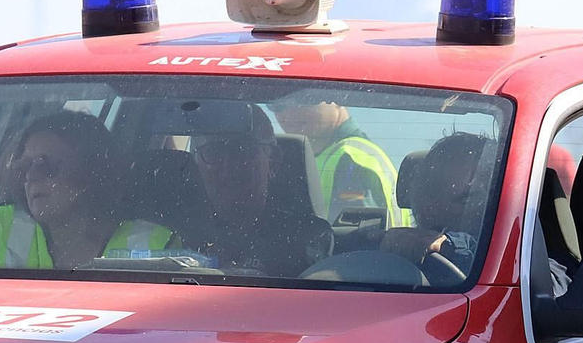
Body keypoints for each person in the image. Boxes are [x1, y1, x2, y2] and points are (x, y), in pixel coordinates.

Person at [0, 111, 179, 269]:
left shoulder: (155, 245)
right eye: (24, 167)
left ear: (90, 170)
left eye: (45, 165)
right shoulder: (10, 226)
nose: (31, 176)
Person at [187, 105, 332, 277]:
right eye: (213, 151)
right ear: (197, 164)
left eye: (242, 150)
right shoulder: (171, 235)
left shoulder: (309, 241)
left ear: (273, 161)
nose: (227, 167)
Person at [276, 99, 410, 227]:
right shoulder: (321, 157)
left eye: (304, 101)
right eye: (277, 105)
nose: (289, 112)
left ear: (338, 102)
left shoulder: (353, 157)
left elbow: (357, 239)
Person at [378, 132, 490, 278]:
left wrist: (451, 247)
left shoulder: (522, 252)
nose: (483, 207)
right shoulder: (377, 265)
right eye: (468, 199)